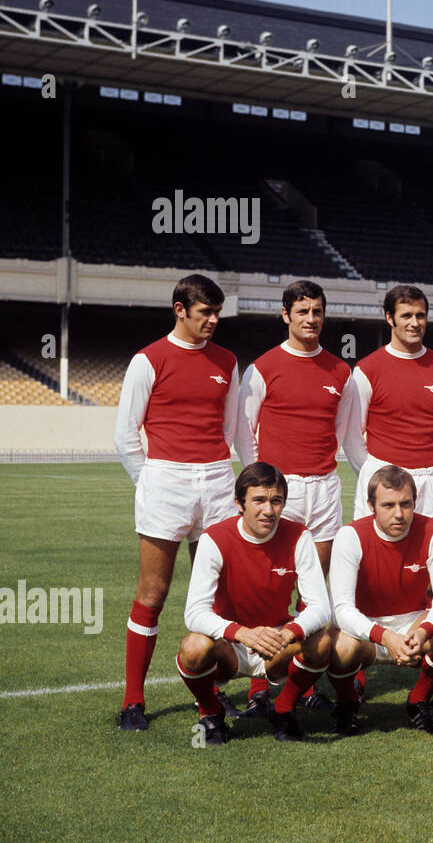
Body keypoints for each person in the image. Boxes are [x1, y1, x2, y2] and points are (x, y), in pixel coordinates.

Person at [113, 273, 239, 731]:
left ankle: (210, 693)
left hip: (218, 481)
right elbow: (126, 436)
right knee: (153, 594)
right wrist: (151, 482)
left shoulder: (227, 360)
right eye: (205, 312)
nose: (212, 320)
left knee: (217, 595)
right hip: (166, 479)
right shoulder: (148, 360)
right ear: (180, 309)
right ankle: (133, 702)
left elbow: (230, 430)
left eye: (217, 313)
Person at [236, 279, 356, 716]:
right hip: (279, 491)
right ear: (286, 315)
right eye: (302, 311)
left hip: (324, 488)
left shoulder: (340, 371)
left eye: (317, 311)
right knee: (268, 591)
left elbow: (342, 433)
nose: (311, 319)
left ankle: (303, 682)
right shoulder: (264, 367)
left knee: (313, 591)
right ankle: (257, 687)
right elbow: (244, 432)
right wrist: (264, 483)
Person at [175, 463, 332, 744]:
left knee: (321, 643)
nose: (268, 510)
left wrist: (287, 633)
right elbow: (194, 612)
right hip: (230, 646)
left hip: (277, 643)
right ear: (239, 503)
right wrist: (243, 633)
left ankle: (283, 710)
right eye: (259, 500)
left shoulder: (299, 536)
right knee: (193, 647)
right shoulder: (214, 538)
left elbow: (321, 607)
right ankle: (211, 714)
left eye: (276, 500)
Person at [328, 465, 433, 737]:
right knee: (340, 646)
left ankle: (419, 700)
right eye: (388, 505)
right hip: (368, 629)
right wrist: (385, 637)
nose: (399, 513)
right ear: (371, 506)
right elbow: (341, 608)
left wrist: (423, 631)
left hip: (415, 625)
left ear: (415, 503)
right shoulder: (350, 535)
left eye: (406, 504)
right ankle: (347, 704)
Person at [343, 284, 433, 527]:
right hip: (383, 478)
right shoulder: (367, 369)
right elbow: (353, 435)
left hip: (431, 480)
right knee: (378, 558)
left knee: (430, 558)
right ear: (390, 318)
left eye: (420, 315)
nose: (414, 323)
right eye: (406, 315)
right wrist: (377, 477)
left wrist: (427, 462)